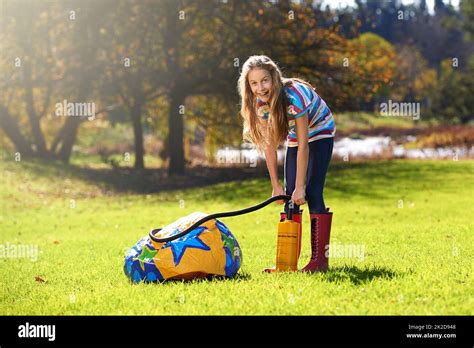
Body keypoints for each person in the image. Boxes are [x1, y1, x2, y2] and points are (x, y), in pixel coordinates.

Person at [237, 55, 335, 273]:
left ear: (273, 78)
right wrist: (275, 186)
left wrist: (301, 187)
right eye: (253, 83)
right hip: (295, 136)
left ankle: (319, 262)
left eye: (264, 80)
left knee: (312, 192)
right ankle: (287, 263)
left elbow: (304, 146)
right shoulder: (260, 104)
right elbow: (269, 147)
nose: (260, 87)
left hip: (320, 130)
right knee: (288, 197)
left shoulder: (292, 97)